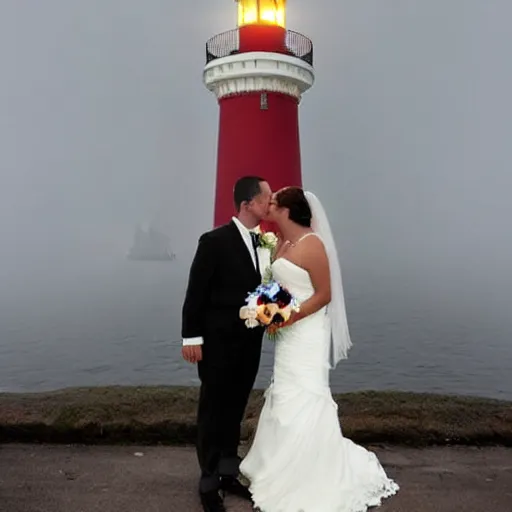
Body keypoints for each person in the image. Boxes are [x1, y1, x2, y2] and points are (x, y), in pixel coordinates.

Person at [240, 187, 399, 512]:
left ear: (287, 210)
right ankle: (277, 464)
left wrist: (290, 316)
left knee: (306, 394)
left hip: (307, 333)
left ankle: (308, 472)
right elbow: (281, 286)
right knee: (284, 392)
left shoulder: (313, 246)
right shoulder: (283, 243)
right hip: (287, 333)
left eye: (274, 202)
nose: (269, 205)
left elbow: (324, 294)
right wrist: (267, 309)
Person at [181, 176, 273, 512]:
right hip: (217, 344)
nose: (271, 201)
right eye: (266, 196)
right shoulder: (214, 241)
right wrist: (191, 338)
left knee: (235, 409)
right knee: (213, 410)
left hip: (249, 343)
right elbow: (196, 294)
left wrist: (276, 315)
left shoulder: (265, 243)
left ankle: (228, 471)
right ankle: (208, 480)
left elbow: (266, 292)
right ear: (248, 204)